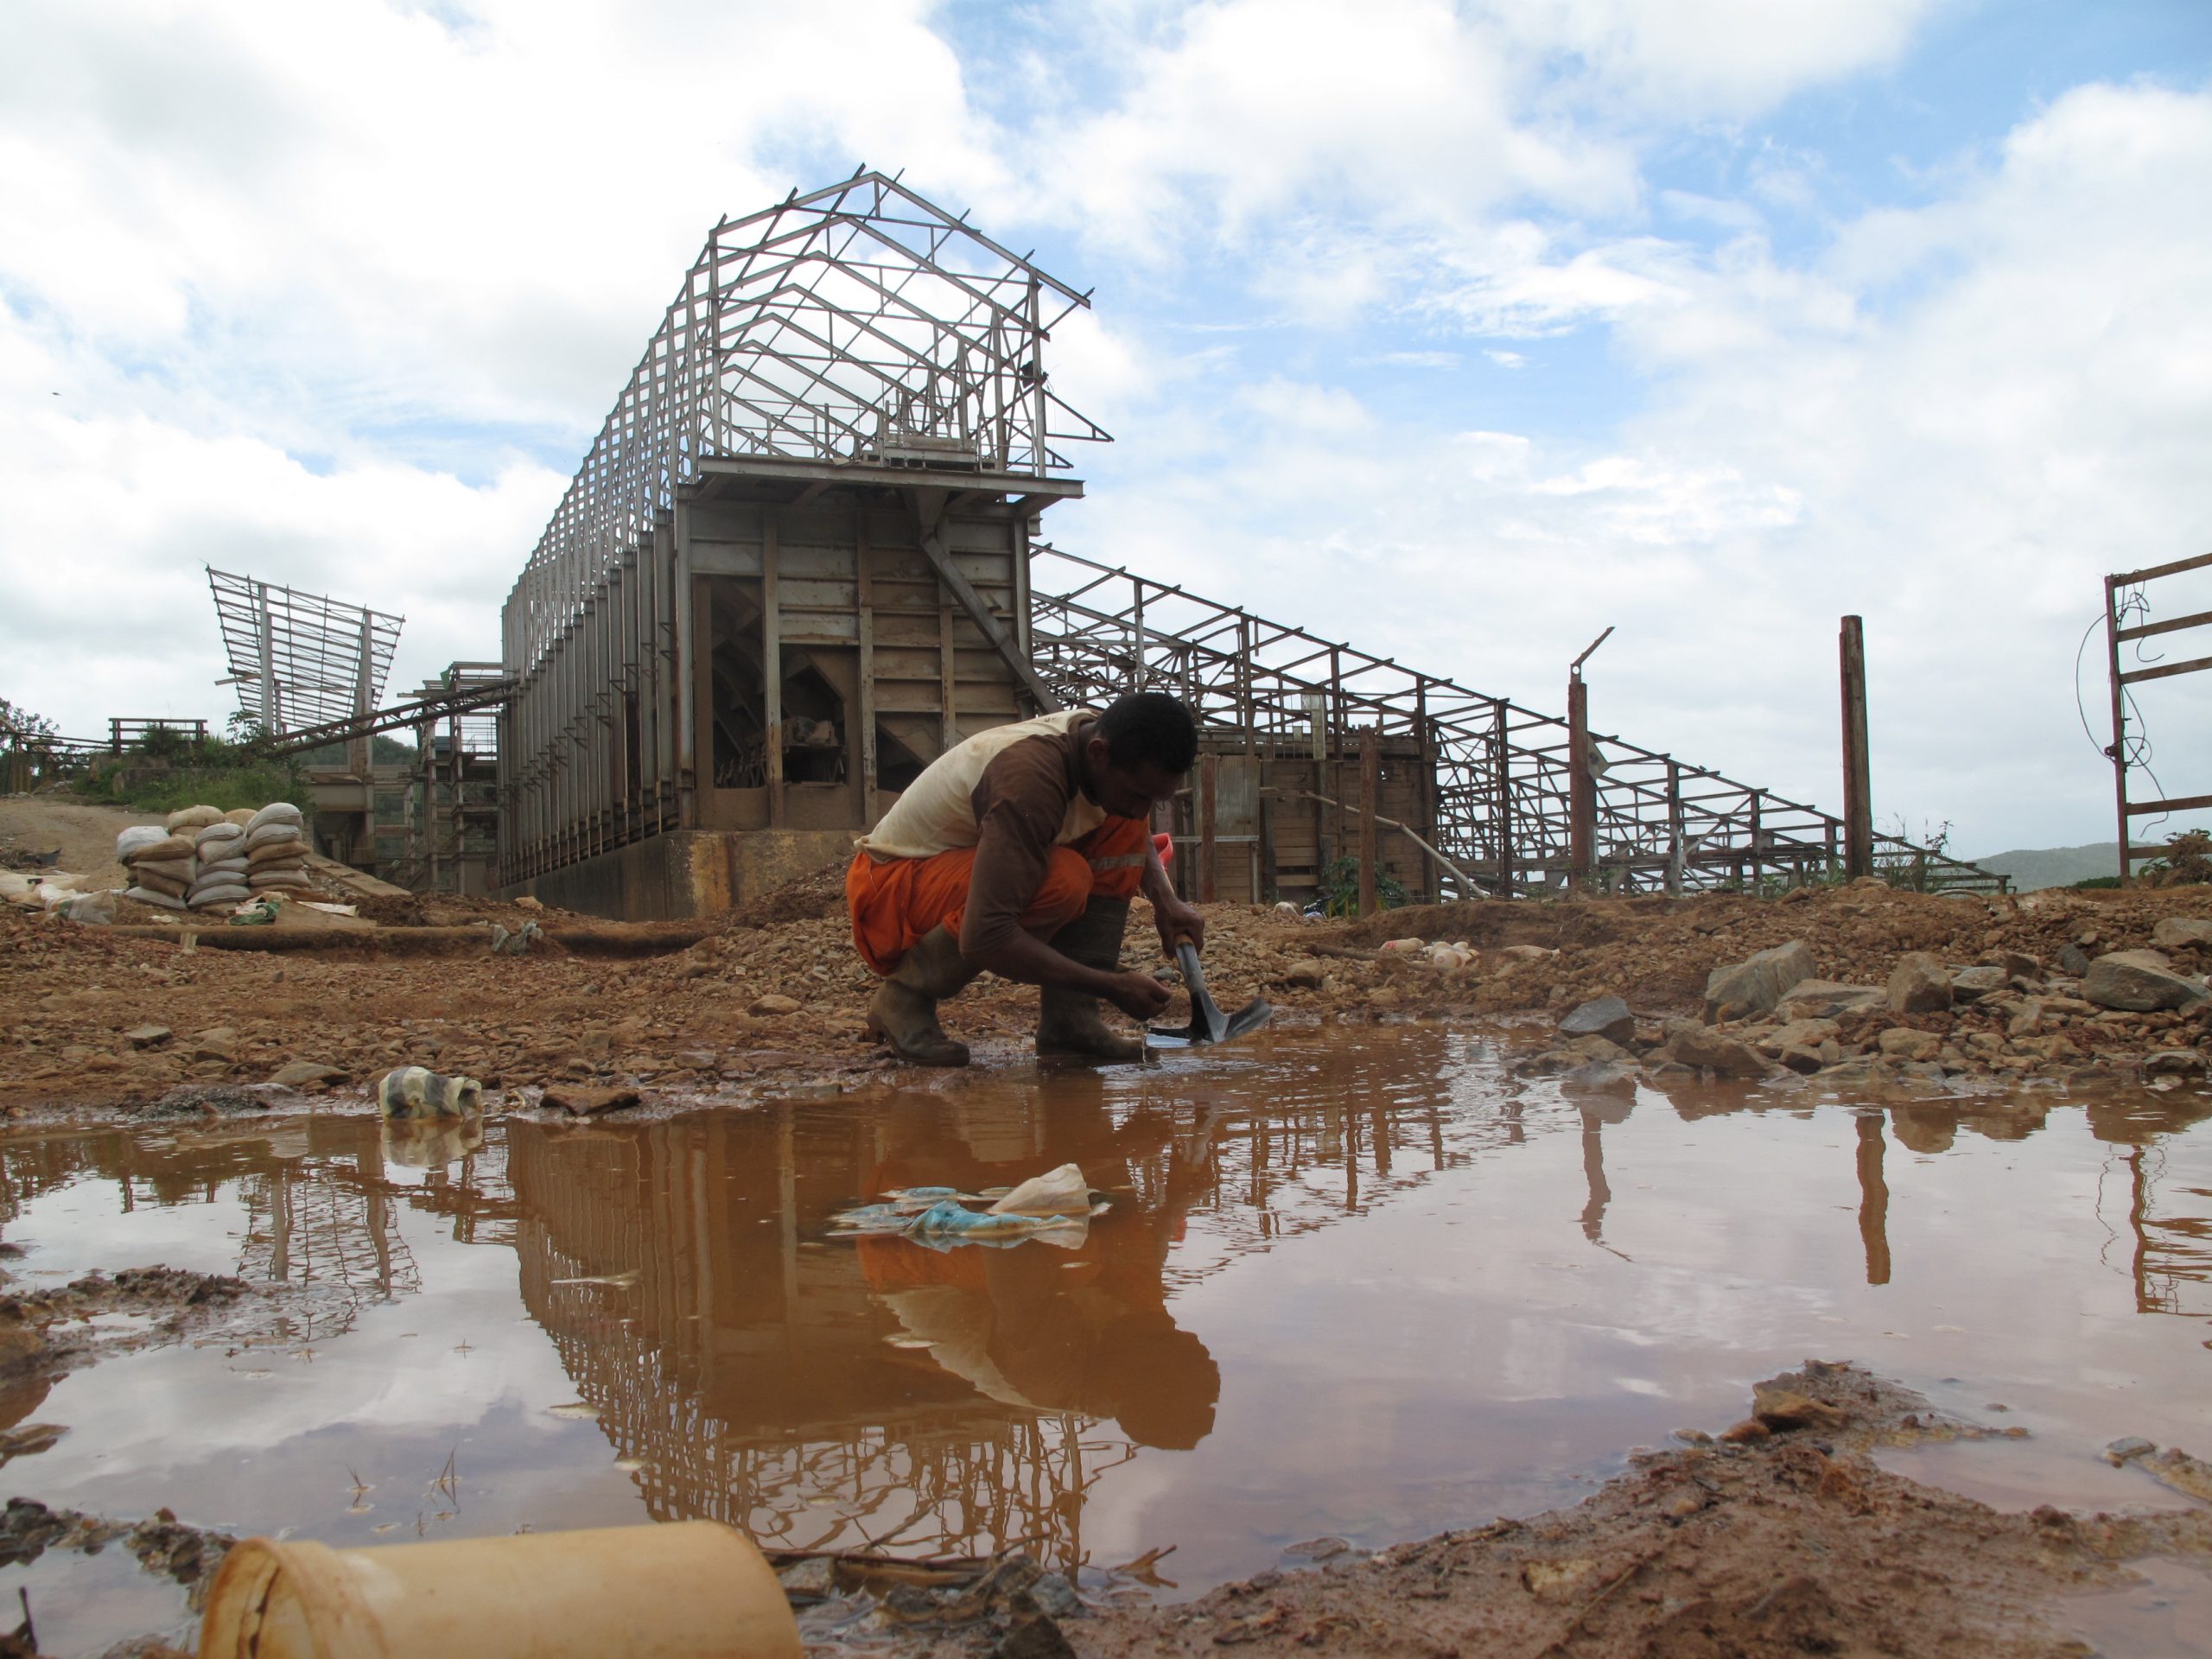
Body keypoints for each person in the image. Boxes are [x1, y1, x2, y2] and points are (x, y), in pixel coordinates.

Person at [845, 692, 1205, 1065]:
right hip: (888, 891)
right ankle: (904, 998)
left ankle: (1071, 1024)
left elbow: (1133, 818)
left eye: (1155, 800)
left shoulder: (1097, 745)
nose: (1142, 809)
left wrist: (1166, 900)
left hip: (947, 872)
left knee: (1124, 824)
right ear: (1098, 752)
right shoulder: (1030, 781)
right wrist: (1110, 986)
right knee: (1063, 879)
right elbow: (986, 936)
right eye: (1137, 794)